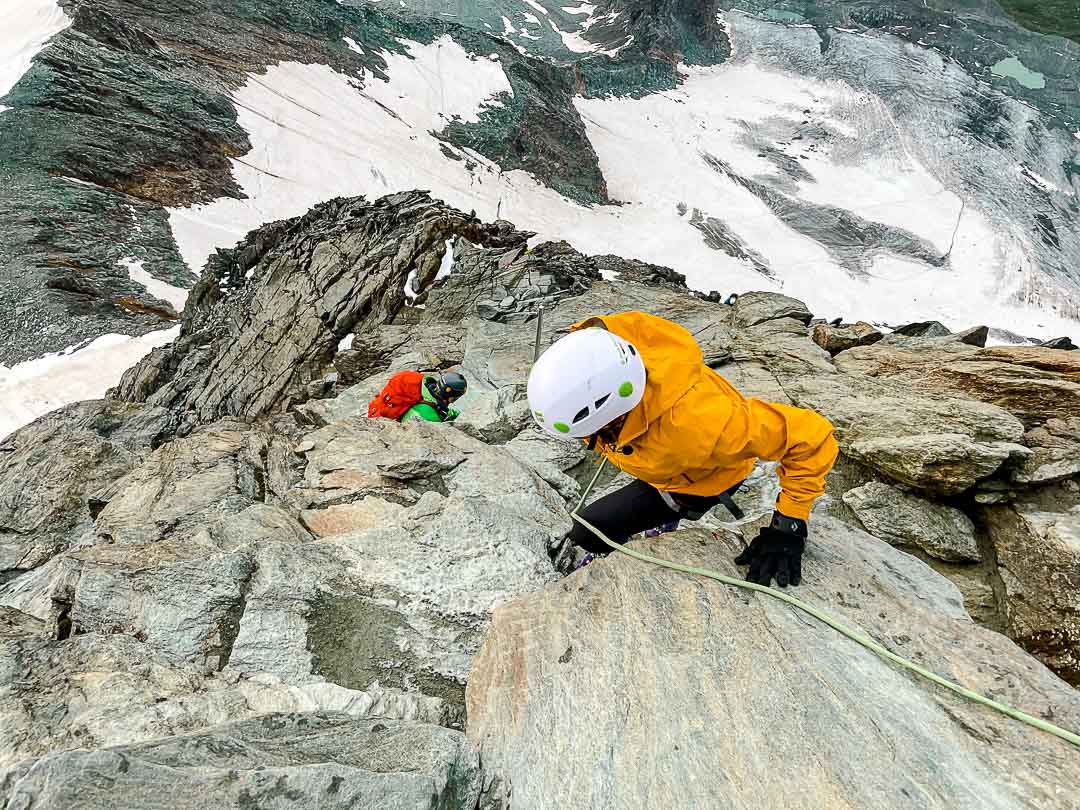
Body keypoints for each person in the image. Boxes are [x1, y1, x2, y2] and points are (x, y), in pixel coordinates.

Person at [527, 312, 838, 588]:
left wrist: (789, 525)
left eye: (592, 431)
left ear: (616, 413)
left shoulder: (699, 424)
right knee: (588, 529)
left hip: (701, 480)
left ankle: (673, 514)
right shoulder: (605, 344)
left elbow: (811, 437)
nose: (590, 439)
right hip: (658, 464)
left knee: (588, 531)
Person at [400, 372, 468, 423]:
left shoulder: (425, 392)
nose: (452, 402)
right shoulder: (432, 418)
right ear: (448, 396)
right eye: (454, 399)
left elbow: (442, 409)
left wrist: (456, 414)